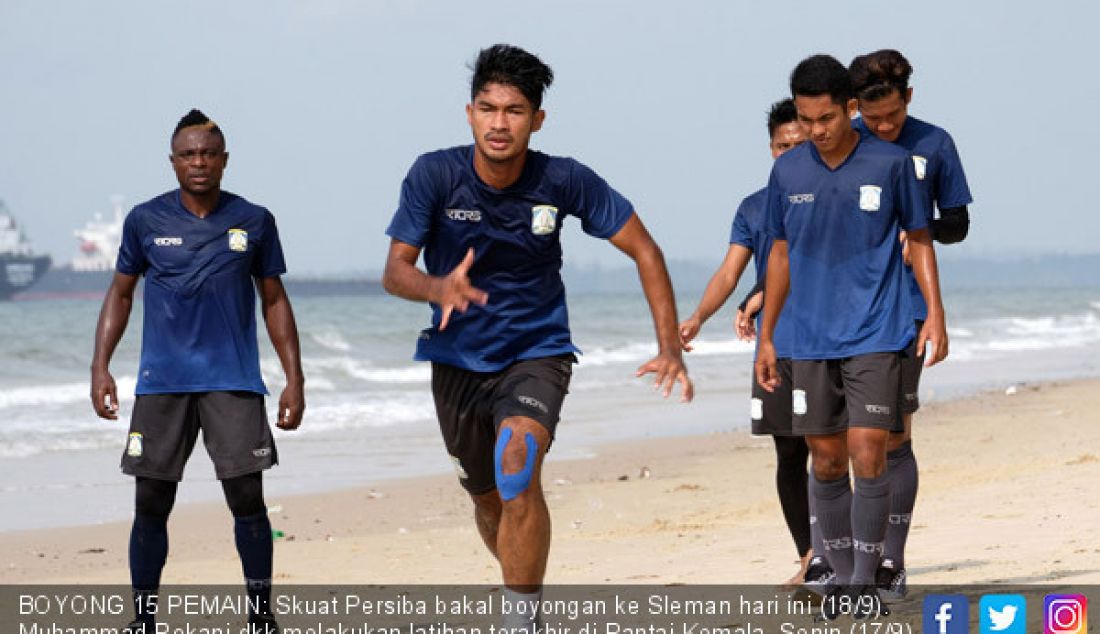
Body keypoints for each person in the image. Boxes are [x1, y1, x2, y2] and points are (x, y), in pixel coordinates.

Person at [382, 44, 692, 630]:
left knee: (516, 466)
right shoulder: (434, 174)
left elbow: (645, 249)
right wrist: (436, 288)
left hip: (537, 351)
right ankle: (526, 594)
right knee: (487, 498)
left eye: (515, 110)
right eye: (488, 108)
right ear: (469, 113)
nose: (500, 123)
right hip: (455, 359)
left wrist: (669, 345)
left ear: (537, 119)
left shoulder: (563, 178)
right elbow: (395, 270)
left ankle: (521, 620)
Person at [90, 109, 304, 634]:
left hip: (233, 383)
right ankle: (142, 620)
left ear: (225, 160)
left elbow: (273, 298)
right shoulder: (145, 220)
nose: (199, 162)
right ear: (173, 162)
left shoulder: (254, 219)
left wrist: (294, 378)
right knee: (151, 502)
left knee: (247, 501)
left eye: (209, 153)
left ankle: (260, 618)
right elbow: (120, 293)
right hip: (162, 383)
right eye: (188, 154)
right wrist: (100, 368)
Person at [754, 55, 947, 615]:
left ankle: (868, 578)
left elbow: (921, 237)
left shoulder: (891, 164)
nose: (816, 131)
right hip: (809, 337)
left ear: (850, 109)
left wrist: (934, 312)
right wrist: (768, 337)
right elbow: (780, 254)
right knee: (825, 458)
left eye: (827, 118)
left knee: (868, 451)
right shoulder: (787, 173)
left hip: (877, 330)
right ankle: (836, 575)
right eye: (807, 119)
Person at [848, 49, 974, 599]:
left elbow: (958, 224)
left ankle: (889, 564)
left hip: (905, 308)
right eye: (873, 119)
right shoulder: (837, 140)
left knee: (891, 435)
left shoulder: (935, 143)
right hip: (837, 309)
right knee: (838, 442)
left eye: (893, 117)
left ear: (909, 99)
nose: (883, 128)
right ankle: (833, 559)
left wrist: (914, 233)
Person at [678, 99, 811, 586]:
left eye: (800, 144)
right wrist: (696, 316)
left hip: (828, 340)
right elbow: (729, 270)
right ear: (771, 148)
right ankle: (808, 557)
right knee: (790, 455)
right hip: (775, 347)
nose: (791, 154)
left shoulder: (831, 195)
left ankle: (845, 552)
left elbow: (806, 259)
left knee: (834, 453)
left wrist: (757, 296)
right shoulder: (754, 207)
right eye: (782, 146)